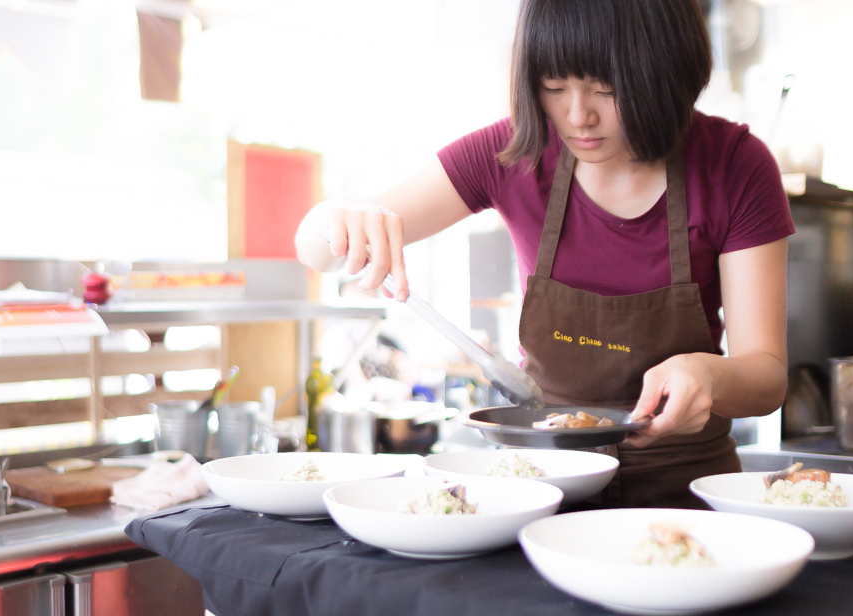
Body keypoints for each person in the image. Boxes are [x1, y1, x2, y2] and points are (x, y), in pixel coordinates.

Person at [294, 0, 794, 508]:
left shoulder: (734, 166)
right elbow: (315, 251)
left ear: (667, 72)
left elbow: (767, 377)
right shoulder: (515, 153)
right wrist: (340, 216)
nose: (579, 116)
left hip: (684, 492)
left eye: (607, 87)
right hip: (543, 486)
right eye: (554, 86)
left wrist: (708, 374)